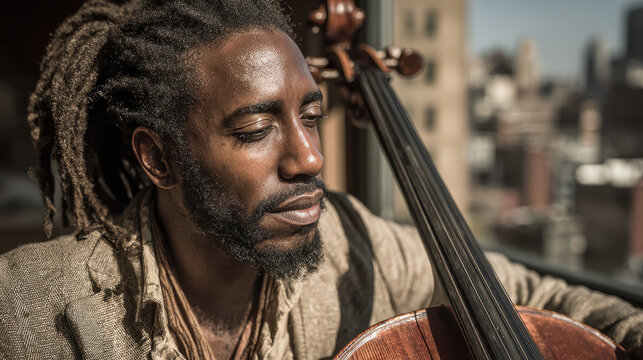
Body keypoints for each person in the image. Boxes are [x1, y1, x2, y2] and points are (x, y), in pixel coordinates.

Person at [0, 0, 641, 359]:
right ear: (158, 159)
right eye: (256, 130)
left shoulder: (353, 245)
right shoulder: (28, 307)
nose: (309, 158)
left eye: (312, 116)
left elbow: (532, 293)